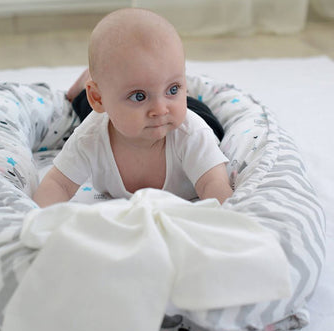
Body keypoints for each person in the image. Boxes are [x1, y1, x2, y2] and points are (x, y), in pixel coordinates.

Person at [33, 8, 233, 207]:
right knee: (87, 109)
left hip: (192, 113)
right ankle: (89, 81)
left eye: (173, 88)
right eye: (139, 96)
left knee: (182, 112)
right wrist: (42, 219)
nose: (160, 109)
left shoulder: (193, 134)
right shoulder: (90, 136)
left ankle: (170, 92)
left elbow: (214, 184)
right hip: (114, 116)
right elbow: (58, 184)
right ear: (98, 97)